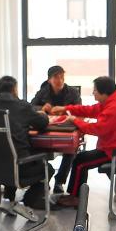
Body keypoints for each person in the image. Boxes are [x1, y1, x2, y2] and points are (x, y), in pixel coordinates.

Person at [51, 76, 116, 209]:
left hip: (115, 153)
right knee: (80, 159)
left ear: (104, 93)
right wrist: (65, 108)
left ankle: (75, 198)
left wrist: (75, 120)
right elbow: (88, 110)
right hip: (111, 148)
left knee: (80, 162)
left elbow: (97, 129)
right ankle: (75, 195)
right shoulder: (109, 103)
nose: (93, 93)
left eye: (95, 90)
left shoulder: (114, 108)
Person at [0, 75, 51, 209]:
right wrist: (43, 114)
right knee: (48, 168)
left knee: (9, 151)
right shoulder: (22, 106)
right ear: (14, 89)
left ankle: (8, 199)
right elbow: (42, 123)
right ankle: (27, 201)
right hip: (19, 168)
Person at [29, 65, 82, 193]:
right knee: (35, 145)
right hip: (47, 127)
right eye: (56, 77)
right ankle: (43, 179)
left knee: (71, 150)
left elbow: (79, 109)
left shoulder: (73, 92)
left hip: (67, 127)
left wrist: (65, 111)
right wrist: (42, 108)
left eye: (62, 77)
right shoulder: (43, 91)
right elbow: (31, 107)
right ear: (49, 80)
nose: (60, 80)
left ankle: (59, 181)